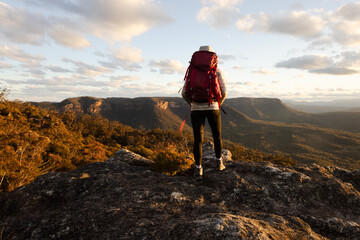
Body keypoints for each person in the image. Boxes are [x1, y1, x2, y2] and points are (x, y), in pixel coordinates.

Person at [181, 45, 227, 179]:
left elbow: (184, 93)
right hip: (213, 107)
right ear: (212, 56)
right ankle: (219, 163)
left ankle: (198, 169)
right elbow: (224, 92)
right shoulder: (216, 71)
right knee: (217, 136)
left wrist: (193, 103)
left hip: (196, 108)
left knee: (198, 140)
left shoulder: (192, 71)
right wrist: (217, 104)